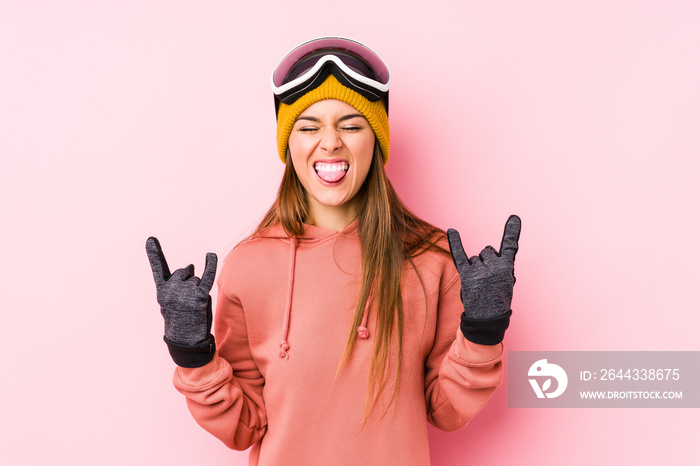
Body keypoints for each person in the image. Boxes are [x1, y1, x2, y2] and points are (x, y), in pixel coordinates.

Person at [146, 37, 521, 466]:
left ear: (376, 141)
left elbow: (446, 411)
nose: (330, 143)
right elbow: (243, 427)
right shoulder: (249, 266)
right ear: (289, 145)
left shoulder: (430, 259)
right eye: (308, 127)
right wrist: (191, 352)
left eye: (351, 125)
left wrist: (483, 330)